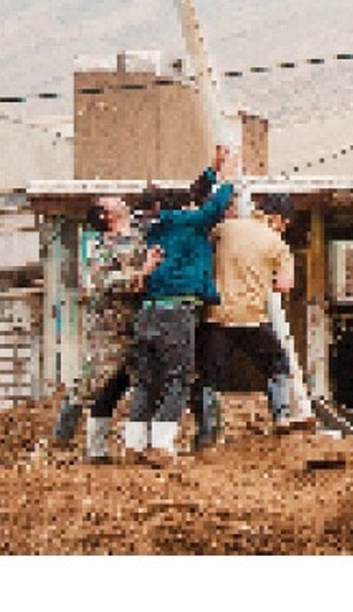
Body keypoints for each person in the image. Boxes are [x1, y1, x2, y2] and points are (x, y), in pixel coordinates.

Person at [123, 144, 239, 465]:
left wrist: (212, 170)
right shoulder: (187, 223)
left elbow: (193, 196)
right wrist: (228, 179)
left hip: (147, 311)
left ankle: (133, 444)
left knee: (146, 381)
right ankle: (161, 444)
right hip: (176, 312)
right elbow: (212, 208)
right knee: (177, 378)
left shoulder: (153, 228)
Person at [52, 195, 160, 462]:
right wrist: (143, 272)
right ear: (105, 216)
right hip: (108, 328)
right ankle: (63, 438)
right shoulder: (100, 247)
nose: (120, 200)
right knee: (94, 384)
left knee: (143, 384)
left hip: (140, 323)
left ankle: (137, 447)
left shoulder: (140, 234)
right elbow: (104, 282)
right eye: (110, 201)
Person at [197, 191, 304, 438]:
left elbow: (203, 248)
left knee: (210, 376)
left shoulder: (225, 229)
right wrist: (265, 277)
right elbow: (284, 285)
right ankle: (281, 415)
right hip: (252, 317)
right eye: (285, 224)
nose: (284, 229)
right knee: (277, 364)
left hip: (217, 315)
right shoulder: (278, 244)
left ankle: (207, 430)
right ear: (277, 218)